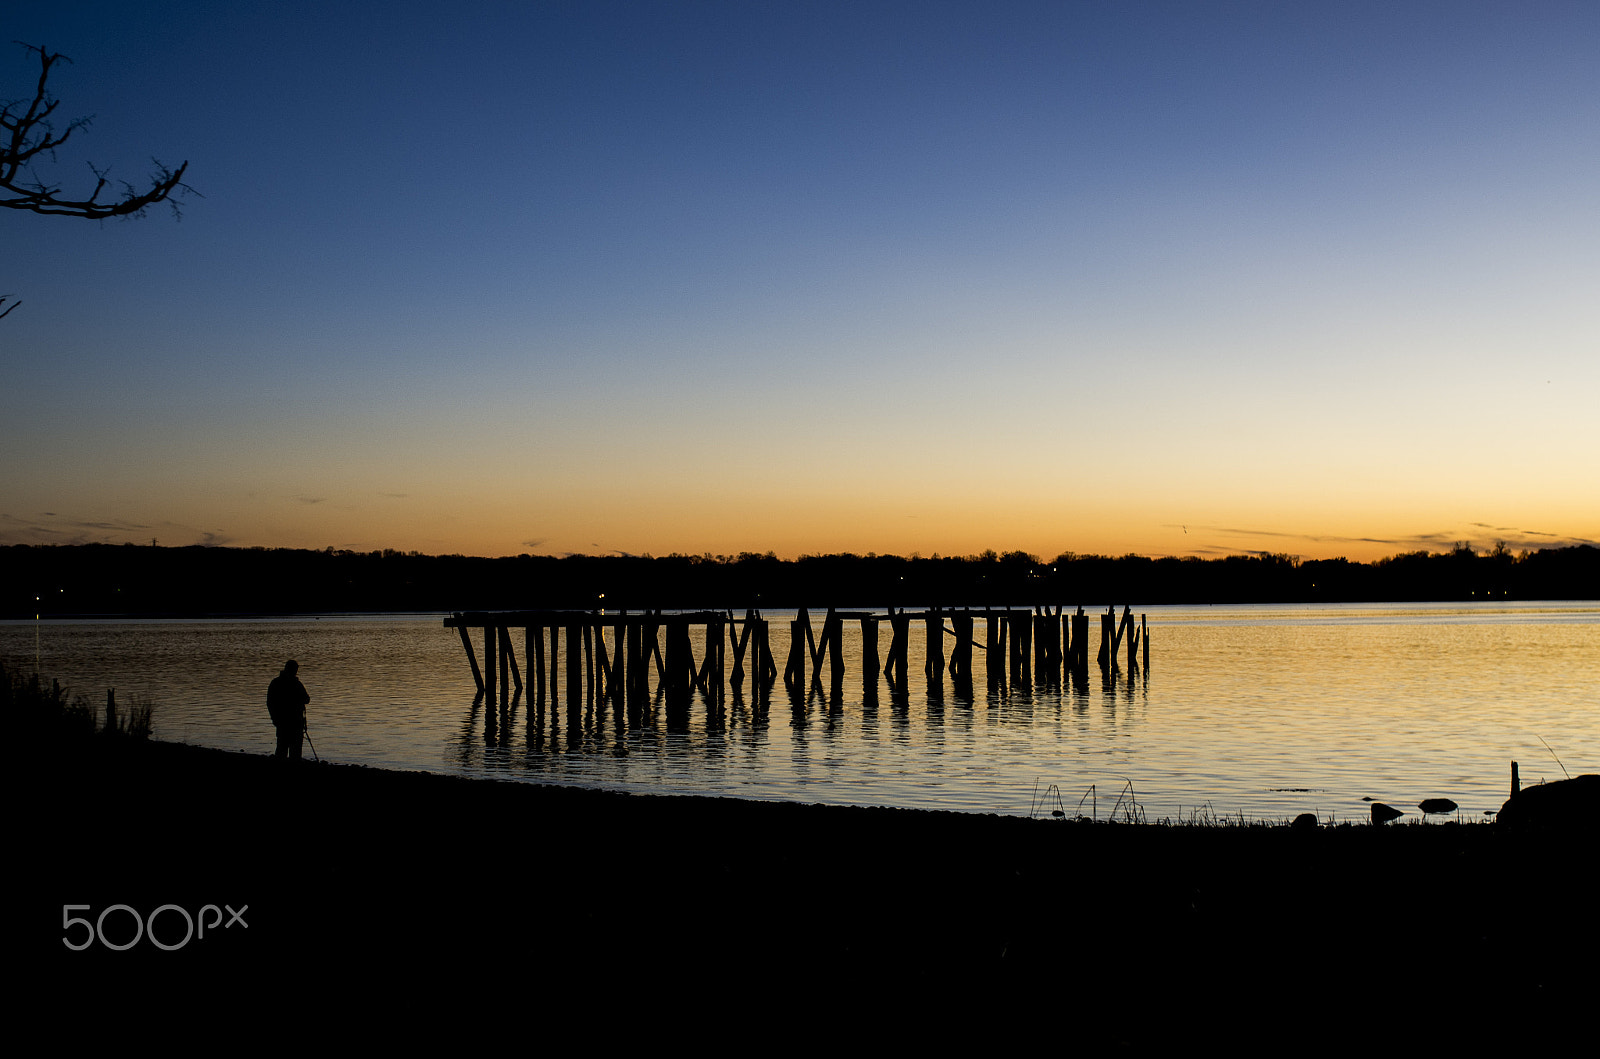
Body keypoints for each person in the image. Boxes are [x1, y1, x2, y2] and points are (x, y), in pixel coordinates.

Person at [267, 659, 310, 760]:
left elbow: (270, 703)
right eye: (295, 670)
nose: (296, 672)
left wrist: (274, 718)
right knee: (289, 751)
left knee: (284, 750)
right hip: (289, 723)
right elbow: (306, 699)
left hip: (287, 723)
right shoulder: (295, 684)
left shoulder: (276, 682)